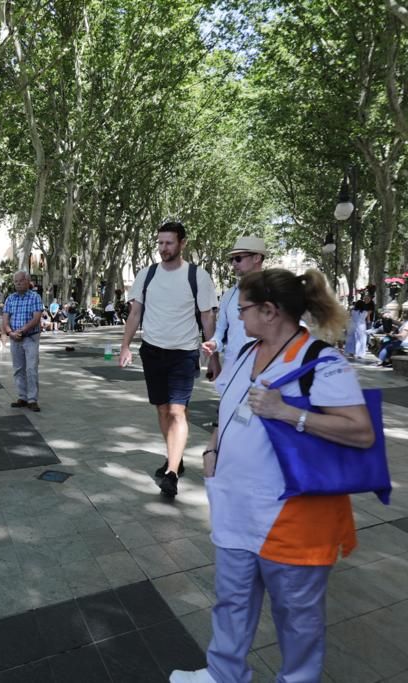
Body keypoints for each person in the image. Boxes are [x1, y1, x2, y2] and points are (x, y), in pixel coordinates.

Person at [169, 269, 374, 683]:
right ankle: (223, 674)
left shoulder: (321, 361)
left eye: (242, 308)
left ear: (269, 310)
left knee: (297, 617)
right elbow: (228, 409)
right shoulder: (247, 351)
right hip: (236, 507)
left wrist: (288, 412)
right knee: (231, 602)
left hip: (293, 517)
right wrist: (212, 447)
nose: (237, 316)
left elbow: (362, 432)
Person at [119, 221, 217, 497]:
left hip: (183, 354)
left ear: (183, 243)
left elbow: (207, 317)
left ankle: (172, 472)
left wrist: (214, 357)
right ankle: (175, 455)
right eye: (160, 243)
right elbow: (135, 313)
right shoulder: (147, 275)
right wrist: (125, 346)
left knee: (177, 411)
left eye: (169, 243)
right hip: (152, 352)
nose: (163, 248)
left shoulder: (198, 276)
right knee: (163, 410)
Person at [204, 236, 268, 380]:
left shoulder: (276, 291)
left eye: (238, 258)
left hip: (266, 371)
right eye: (231, 259)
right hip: (233, 369)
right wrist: (213, 345)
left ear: (257, 258)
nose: (233, 263)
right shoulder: (229, 295)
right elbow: (220, 332)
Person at [3, 271, 44, 412]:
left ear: (27, 281)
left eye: (20, 281)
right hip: (15, 338)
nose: (18, 283)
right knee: (18, 369)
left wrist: (22, 330)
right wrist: (10, 332)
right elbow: (5, 319)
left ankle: (32, 399)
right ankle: (22, 397)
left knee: (31, 369)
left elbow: (36, 318)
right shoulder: (10, 299)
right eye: (15, 281)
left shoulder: (35, 297)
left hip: (31, 337)